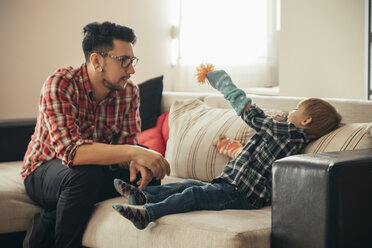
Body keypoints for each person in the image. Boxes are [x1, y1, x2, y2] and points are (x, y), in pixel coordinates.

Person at [111, 65, 342, 230]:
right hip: (233, 186)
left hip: (241, 193)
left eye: (297, 107)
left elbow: (251, 113)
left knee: (193, 193)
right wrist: (230, 147)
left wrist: (224, 83)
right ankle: (141, 195)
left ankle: (147, 214)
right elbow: (255, 156)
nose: (292, 110)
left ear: (306, 120)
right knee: (189, 184)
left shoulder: (287, 133)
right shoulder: (285, 139)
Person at [21, 21, 170, 248]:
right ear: (97, 61)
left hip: (92, 171)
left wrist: (137, 159)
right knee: (85, 175)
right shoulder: (60, 84)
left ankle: (49, 220)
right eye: (124, 61)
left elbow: (126, 147)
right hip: (43, 170)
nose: (131, 70)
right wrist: (134, 152)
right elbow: (71, 153)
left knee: (148, 172)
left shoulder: (129, 92)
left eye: (132, 61)